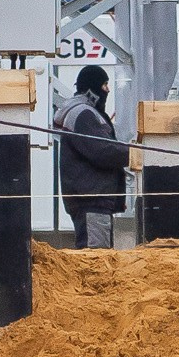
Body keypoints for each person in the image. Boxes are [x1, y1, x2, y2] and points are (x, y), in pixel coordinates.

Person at [54, 62, 129, 249]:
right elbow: (103, 151)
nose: (108, 90)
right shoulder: (84, 114)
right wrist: (136, 153)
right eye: (104, 85)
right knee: (95, 260)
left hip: (91, 200)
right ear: (92, 88)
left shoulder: (82, 112)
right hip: (92, 201)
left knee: (96, 258)